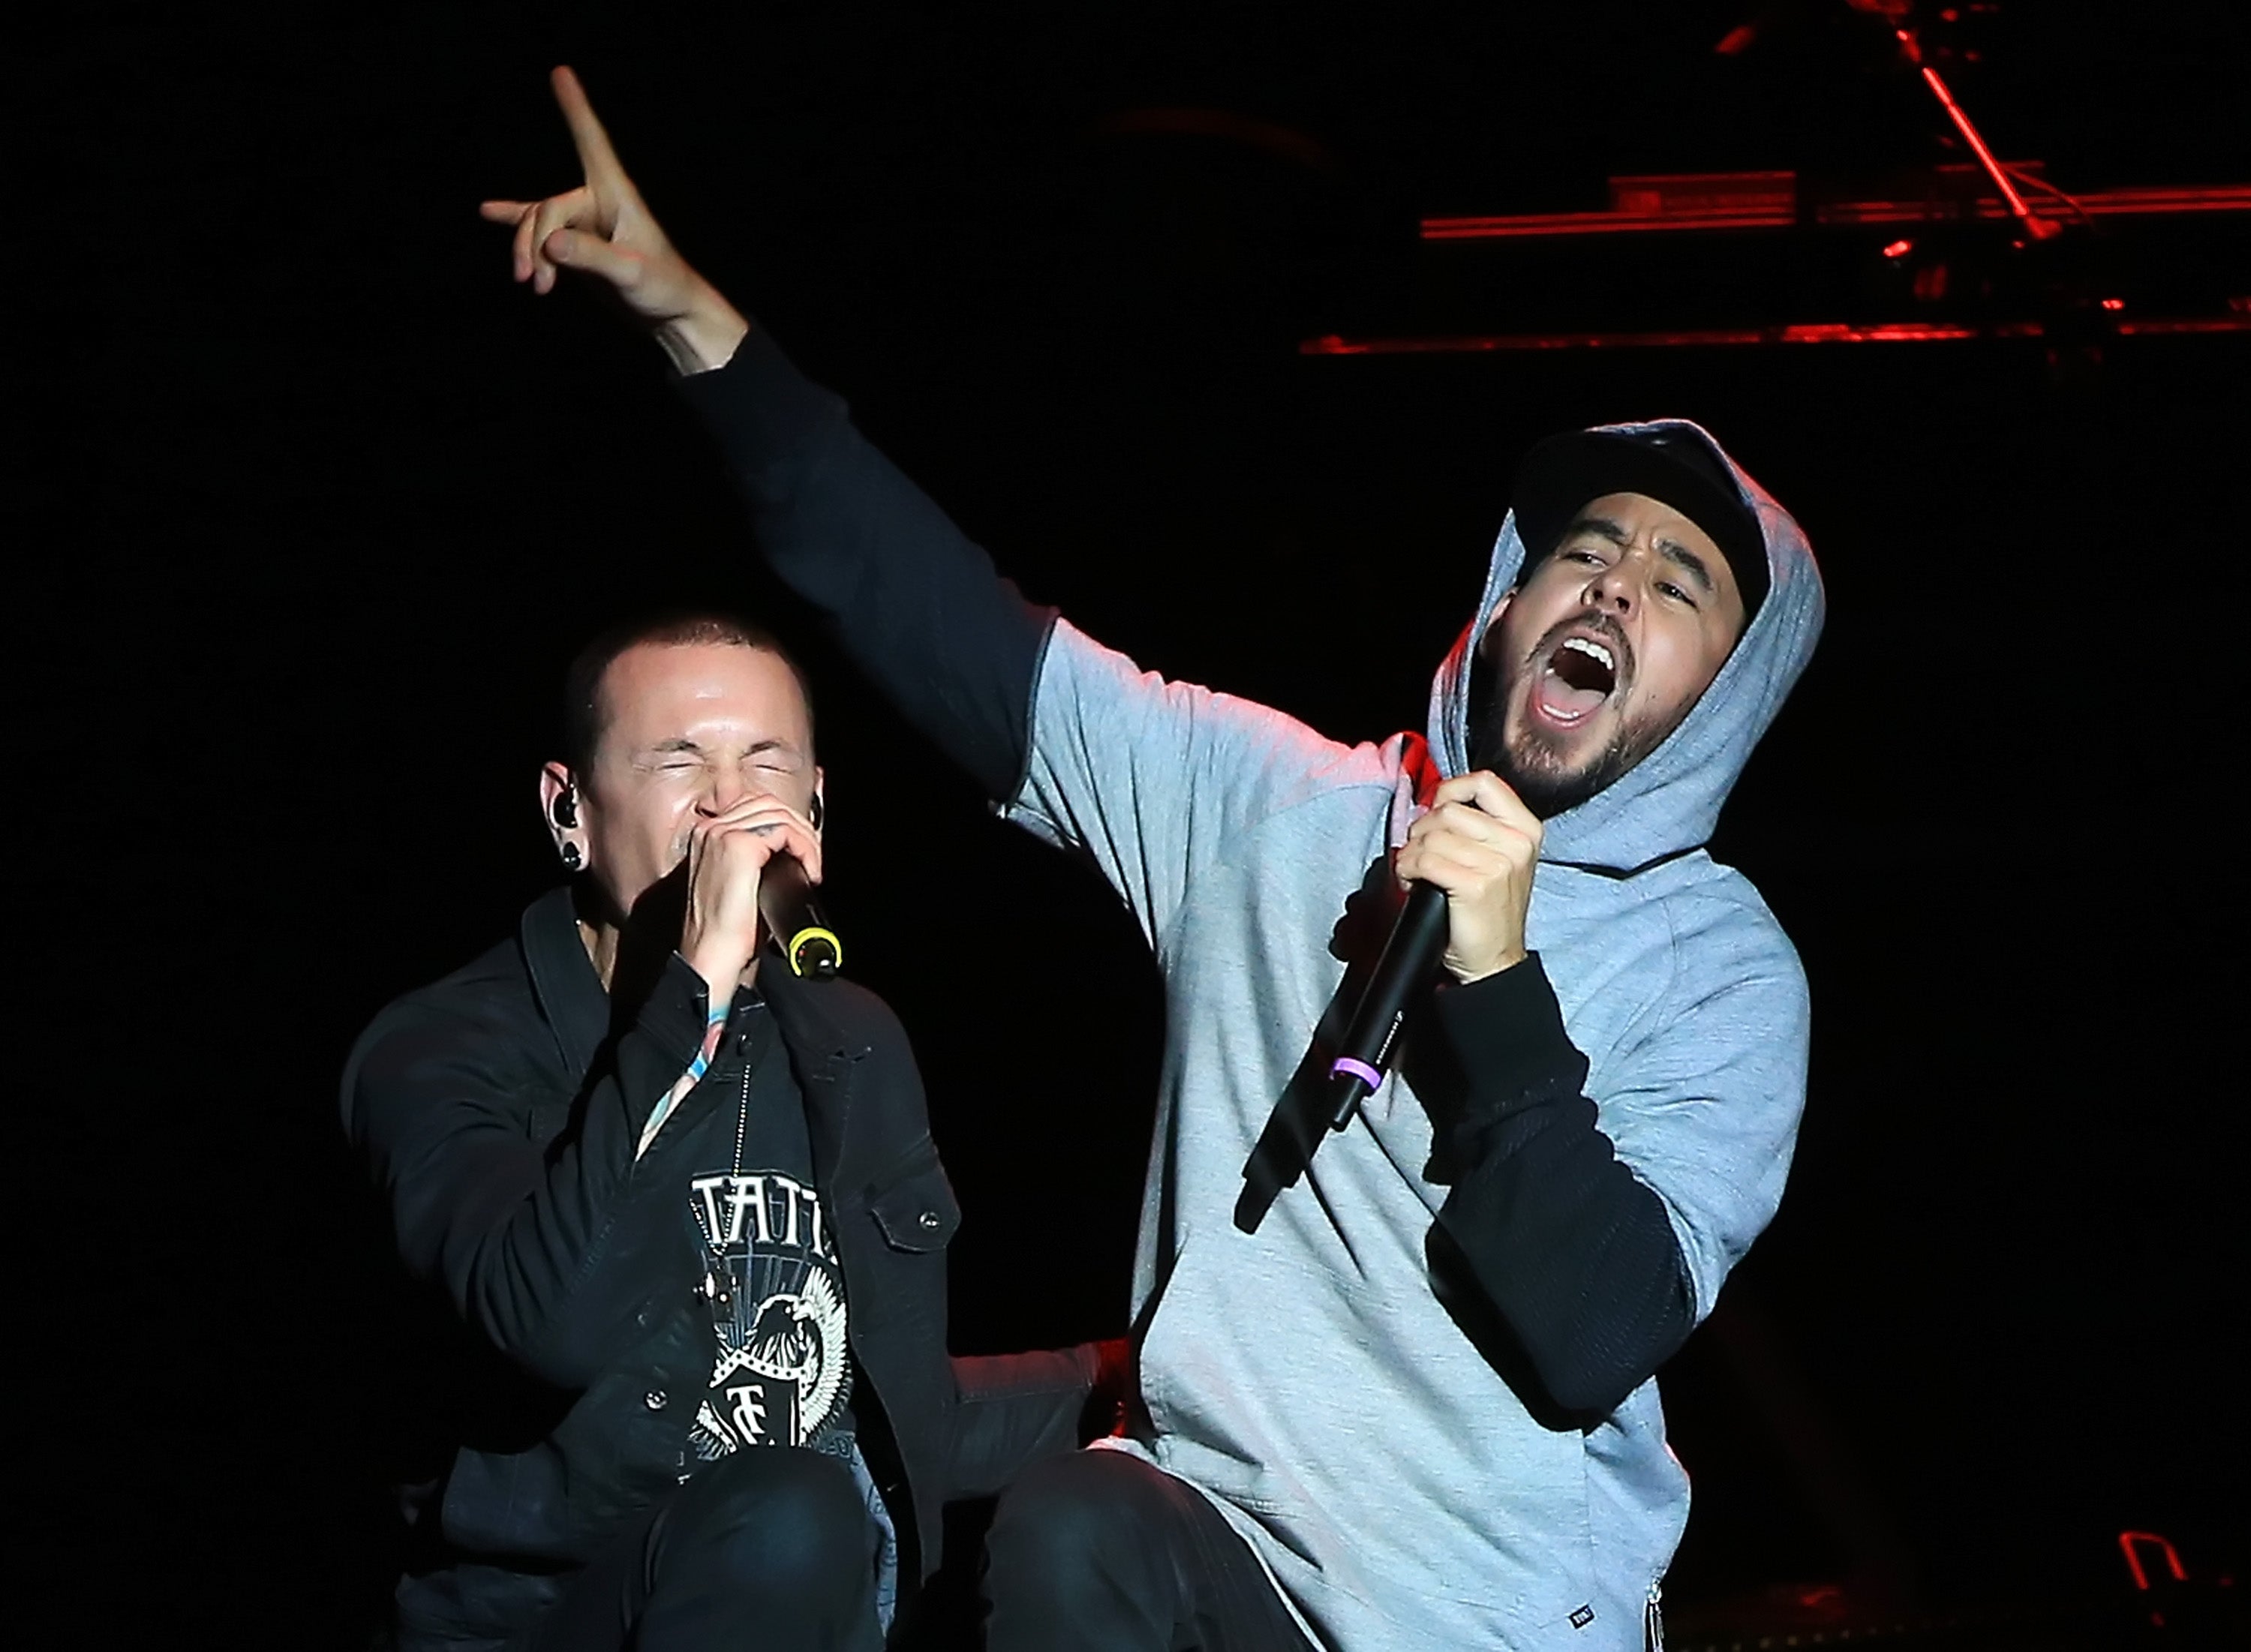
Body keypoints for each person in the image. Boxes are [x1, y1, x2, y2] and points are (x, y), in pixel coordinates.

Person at [485, 67, 1826, 1650]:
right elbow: (947, 624)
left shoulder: (1723, 964)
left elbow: (1591, 1331)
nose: (1611, 587)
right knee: (1080, 1520)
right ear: (1505, 606)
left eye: (1678, 584)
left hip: (1494, 1612)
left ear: (1728, 697)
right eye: (1582, 552)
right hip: (1220, 1552)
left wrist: (1500, 986)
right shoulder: (1273, 805)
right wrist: (690, 322)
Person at [342, 610, 1113, 1652]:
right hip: (558, 1621)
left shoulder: (852, 1040)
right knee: (789, 1511)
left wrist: (1136, 1373)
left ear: (817, 805)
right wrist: (691, 992)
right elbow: (553, 1319)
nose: (728, 804)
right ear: (570, 810)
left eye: (764, 762)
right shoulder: (445, 1047)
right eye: (678, 760)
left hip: (808, 1597)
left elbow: (878, 1406)